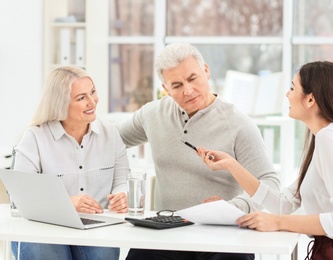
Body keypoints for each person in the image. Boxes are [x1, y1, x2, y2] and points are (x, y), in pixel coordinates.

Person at [197, 61, 333, 259]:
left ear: (310, 99)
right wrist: (231, 165)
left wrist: (278, 222)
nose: (287, 94)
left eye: (293, 87)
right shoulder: (327, 137)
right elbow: (283, 204)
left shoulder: (331, 138)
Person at [117, 42, 280, 260]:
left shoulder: (238, 124)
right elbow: (109, 141)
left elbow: (270, 182)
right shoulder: (153, 114)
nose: (188, 91)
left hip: (223, 235)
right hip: (165, 234)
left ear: (206, 71)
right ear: (166, 89)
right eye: (176, 85)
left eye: (193, 78)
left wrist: (235, 206)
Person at [11, 66, 130, 260]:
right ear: (61, 104)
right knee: (47, 254)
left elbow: (122, 180)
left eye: (92, 92)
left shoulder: (111, 134)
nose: (92, 102)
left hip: (95, 226)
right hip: (44, 226)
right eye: (81, 98)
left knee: (103, 254)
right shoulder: (35, 137)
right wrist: (67, 203)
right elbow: (20, 198)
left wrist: (121, 195)